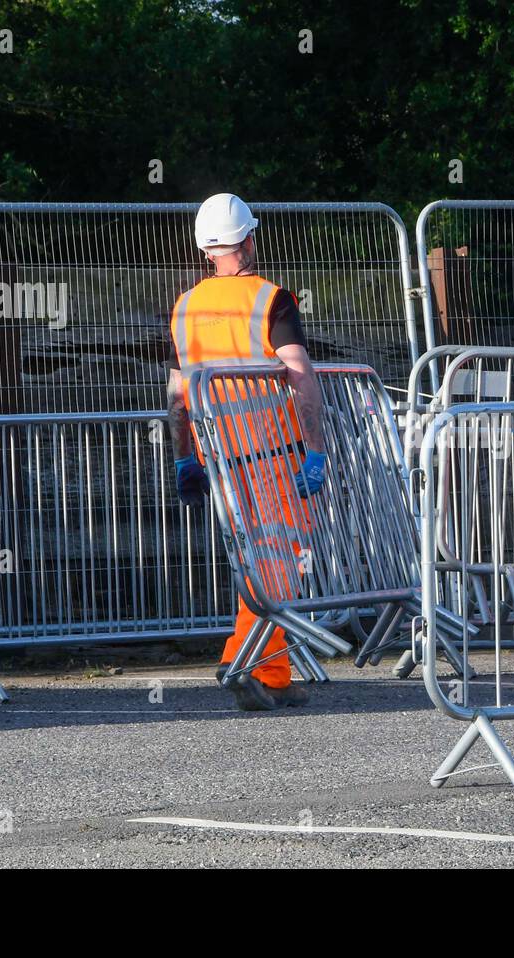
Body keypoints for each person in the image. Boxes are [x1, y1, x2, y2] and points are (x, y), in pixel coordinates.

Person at [165, 192, 328, 710]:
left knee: (254, 561)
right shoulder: (272, 298)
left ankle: (248, 659)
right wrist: (317, 448)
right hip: (274, 454)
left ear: (204, 249)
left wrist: (184, 456)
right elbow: (300, 377)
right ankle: (262, 671)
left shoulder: (186, 305)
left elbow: (178, 393)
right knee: (278, 561)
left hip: (219, 457)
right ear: (250, 239)